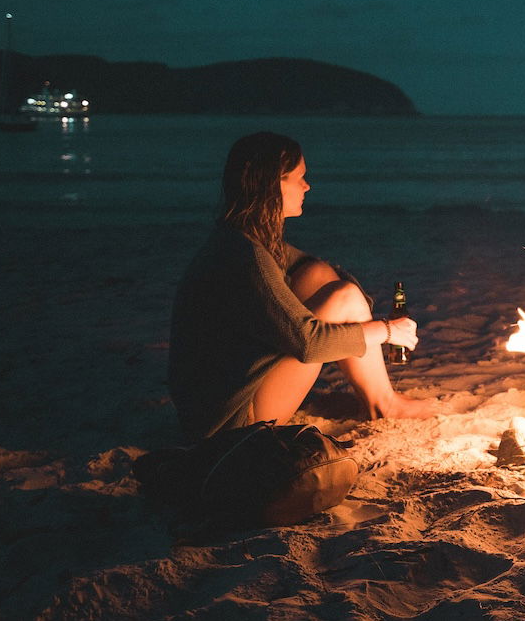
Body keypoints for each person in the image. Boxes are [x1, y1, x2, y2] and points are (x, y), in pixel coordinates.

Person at [169, 132, 434, 442]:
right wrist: (388, 330)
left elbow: (327, 274)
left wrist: (361, 309)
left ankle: (382, 398)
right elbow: (309, 344)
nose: (307, 186)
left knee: (319, 275)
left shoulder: (242, 238)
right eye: (299, 178)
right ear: (272, 184)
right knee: (344, 298)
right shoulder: (245, 256)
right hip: (231, 424)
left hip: (216, 402)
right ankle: (384, 403)